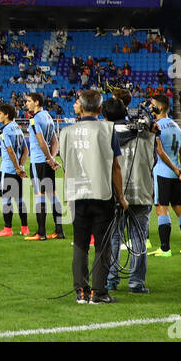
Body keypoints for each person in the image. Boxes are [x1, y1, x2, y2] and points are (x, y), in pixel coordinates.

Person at [61, 89, 126, 304]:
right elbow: (116, 167)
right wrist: (122, 197)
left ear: (80, 106)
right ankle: (98, 293)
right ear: (100, 109)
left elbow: (65, 166)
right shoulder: (108, 130)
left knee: (80, 244)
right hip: (102, 193)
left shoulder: (67, 132)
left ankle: (80, 292)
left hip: (77, 195)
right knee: (102, 245)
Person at [104, 96, 161, 294]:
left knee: (113, 237)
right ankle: (136, 283)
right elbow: (153, 160)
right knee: (138, 239)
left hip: (115, 193)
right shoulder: (147, 132)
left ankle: (111, 280)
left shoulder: (105, 134)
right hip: (142, 191)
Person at [149, 93, 181, 256]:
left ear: (159, 107)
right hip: (176, 176)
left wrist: (175, 169)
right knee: (180, 209)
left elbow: (159, 151)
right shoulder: (176, 125)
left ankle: (165, 248)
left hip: (163, 172)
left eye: (152, 104)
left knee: (162, 208)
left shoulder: (157, 126)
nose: (150, 107)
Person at [24, 92, 62, 240]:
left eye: (29, 101)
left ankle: (41, 232)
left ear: (37, 103)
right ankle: (59, 231)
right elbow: (55, 141)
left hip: (39, 161)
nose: (27, 104)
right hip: (46, 162)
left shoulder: (34, 120)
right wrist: (52, 158)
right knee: (52, 195)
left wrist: (48, 158)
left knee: (39, 195)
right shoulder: (48, 116)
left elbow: (41, 142)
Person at [0, 102, 29, 237]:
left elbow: (10, 150)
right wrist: (20, 167)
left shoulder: (5, 130)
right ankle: (25, 228)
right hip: (18, 170)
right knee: (20, 199)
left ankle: (7, 229)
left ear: (6, 115)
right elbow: (26, 149)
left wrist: (16, 167)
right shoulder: (18, 128)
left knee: (5, 199)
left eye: (0, 114)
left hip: (8, 169)